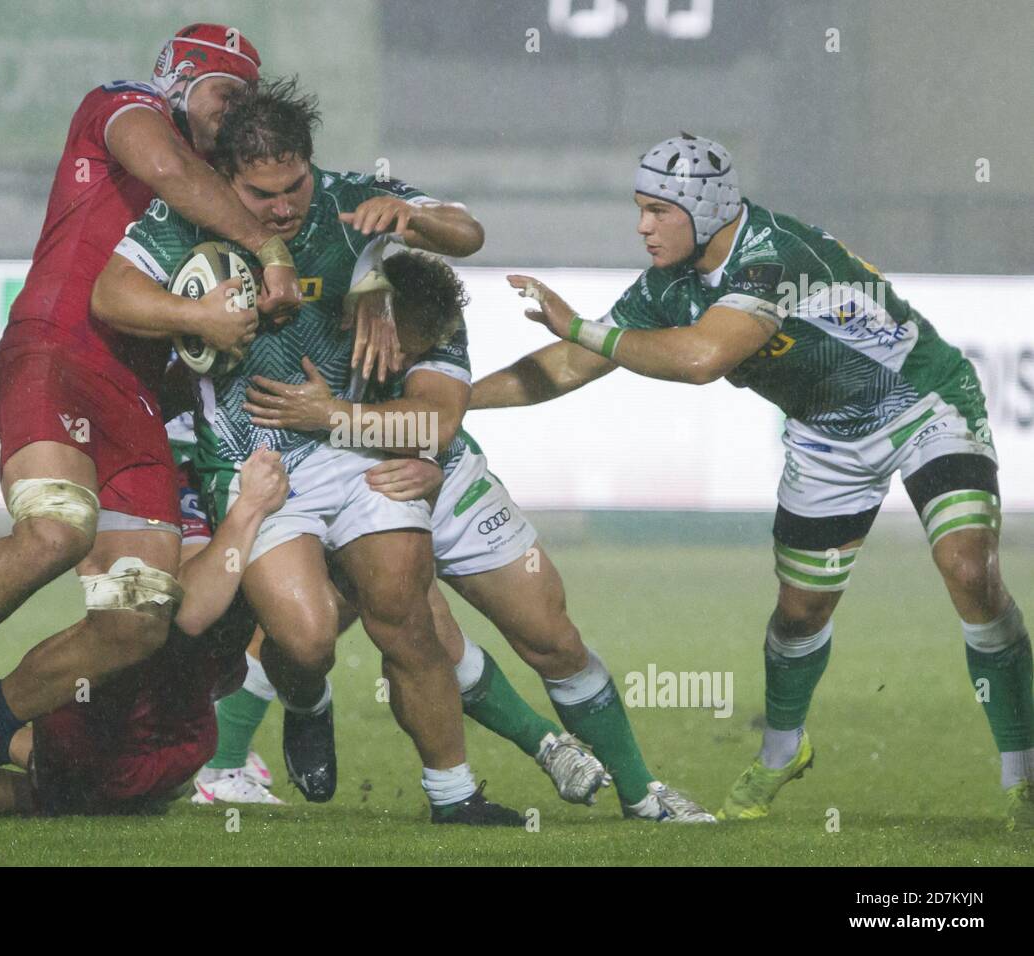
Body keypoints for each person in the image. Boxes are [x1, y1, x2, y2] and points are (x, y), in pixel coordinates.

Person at [470, 133, 1033, 830]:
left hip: (924, 401)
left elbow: (704, 357)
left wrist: (584, 328)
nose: (642, 226)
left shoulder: (771, 256)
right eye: (639, 209)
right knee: (799, 616)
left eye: (656, 211)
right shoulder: (668, 285)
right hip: (826, 439)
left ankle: (1024, 776)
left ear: (702, 209)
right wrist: (459, 399)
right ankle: (781, 753)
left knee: (967, 569)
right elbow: (567, 366)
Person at [0, 23, 309, 823]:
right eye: (225, 93)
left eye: (247, 104)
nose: (232, 115)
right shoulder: (122, 107)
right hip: (55, 352)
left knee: (137, 622)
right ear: (180, 76)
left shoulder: (218, 201)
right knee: (58, 526)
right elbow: (163, 169)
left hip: (132, 401)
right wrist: (268, 250)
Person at [92, 78, 523, 825]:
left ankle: (455, 796)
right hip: (254, 465)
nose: (285, 207)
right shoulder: (186, 217)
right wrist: (193, 314)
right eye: (263, 195)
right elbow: (110, 295)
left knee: (403, 615)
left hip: (352, 451)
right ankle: (307, 696)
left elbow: (469, 233)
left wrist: (415, 217)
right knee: (307, 636)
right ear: (228, 177)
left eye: (294, 185)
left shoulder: (350, 202)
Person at [233, 249, 717, 822]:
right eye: (401, 345)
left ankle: (641, 793)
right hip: (340, 491)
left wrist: (360, 422)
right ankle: (247, 751)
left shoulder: (437, 316)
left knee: (551, 637)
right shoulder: (300, 315)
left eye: (419, 349)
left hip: (443, 475)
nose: (407, 358)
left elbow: (436, 421)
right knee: (352, 636)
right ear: (366, 311)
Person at [0, 444, 291, 818]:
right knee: (102, 787)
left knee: (149, 782)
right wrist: (250, 508)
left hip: (175, 713)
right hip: (123, 705)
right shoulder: (178, 475)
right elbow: (190, 610)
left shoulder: (258, 468)